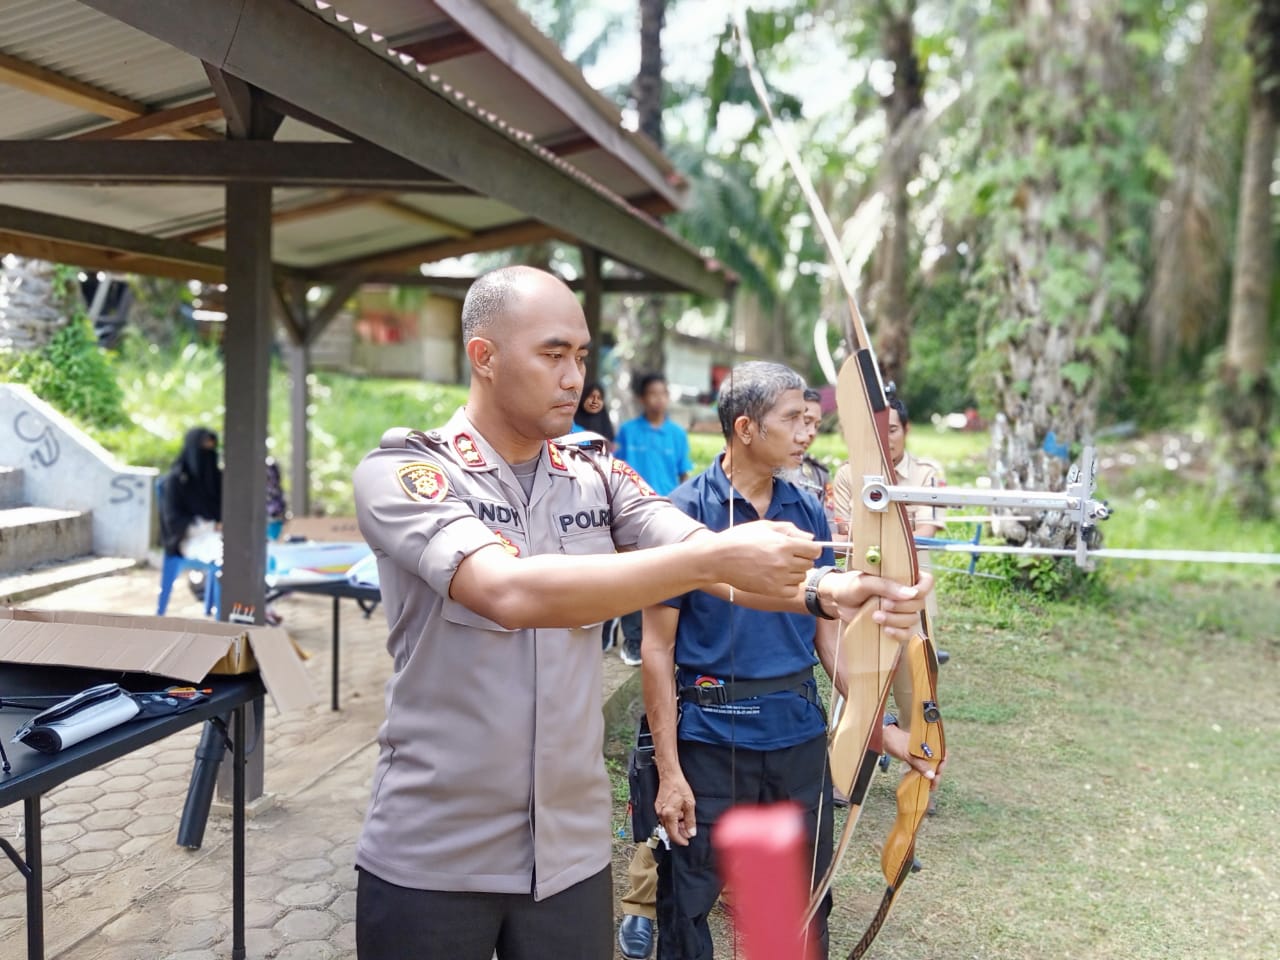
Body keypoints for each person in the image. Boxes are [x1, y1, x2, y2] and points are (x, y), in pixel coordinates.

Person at [350, 267, 932, 960]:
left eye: (582, 356)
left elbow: (694, 545)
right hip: (434, 853)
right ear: (484, 357)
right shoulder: (408, 472)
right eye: (553, 353)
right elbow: (506, 592)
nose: (574, 377)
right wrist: (713, 561)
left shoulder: (596, 471)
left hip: (566, 859)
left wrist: (830, 592)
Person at [640, 362, 940, 960]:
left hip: (795, 734)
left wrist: (882, 729)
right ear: (746, 427)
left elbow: (825, 637)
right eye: (794, 418)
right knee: (689, 898)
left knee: (797, 901)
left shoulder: (804, 509)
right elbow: (657, 648)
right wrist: (670, 772)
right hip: (708, 735)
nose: (808, 431)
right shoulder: (679, 512)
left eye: (812, 418)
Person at [613, 373, 693, 665]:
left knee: (668, 579)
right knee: (633, 577)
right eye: (652, 393)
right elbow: (617, 470)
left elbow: (684, 475)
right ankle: (633, 642)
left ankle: (666, 639)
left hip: (668, 514)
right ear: (641, 398)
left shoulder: (677, 435)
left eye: (663, 393)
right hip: (632, 511)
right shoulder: (628, 432)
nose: (658, 399)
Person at [159, 426, 222, 563]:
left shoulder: (216, 479)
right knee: (229, 550)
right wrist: (210, 526)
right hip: (188, 541)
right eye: (204, 450)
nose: (208, 455)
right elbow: (173, 522)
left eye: (211, 450)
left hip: (218, 536)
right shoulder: (177, 481)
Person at [778, 388, 832, 519]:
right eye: (806, 422)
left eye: (817, 426)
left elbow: (832, 529)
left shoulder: (818, 473)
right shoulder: (759, 468)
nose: (812, 432)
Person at [574, 381, 616, 445]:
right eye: (591, 397)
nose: (595, 401)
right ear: (583, 398)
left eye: (599, 398)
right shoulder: (570, 423)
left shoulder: (605, 425)